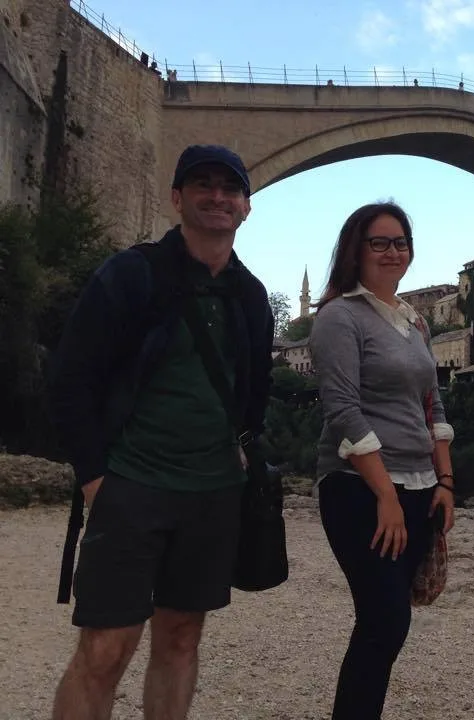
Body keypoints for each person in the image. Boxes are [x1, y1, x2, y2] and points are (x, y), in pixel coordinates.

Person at [48, 144, 274, 720]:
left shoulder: (250, 296)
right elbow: (72, 378)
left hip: (212, 491)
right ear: (177, 198)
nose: (218, 196)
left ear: (246, 207)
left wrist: (244, 456)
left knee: (180, 640)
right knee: (104, 649)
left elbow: (254, 388)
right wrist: (95, 476)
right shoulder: (130, 275)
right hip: (132, 484)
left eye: (231, 187)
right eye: (203, 184)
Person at [309, 202, 455, 720]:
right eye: (381, 242)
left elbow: (432, 403)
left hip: (419, 485)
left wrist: (445, 480)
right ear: (356, 250)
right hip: (358, 486)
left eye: (401, 242)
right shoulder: (339, 316)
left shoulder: (414, 323)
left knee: (389, 624)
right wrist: (386, 495)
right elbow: (343, 408)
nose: (394, 252)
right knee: (383, 620)